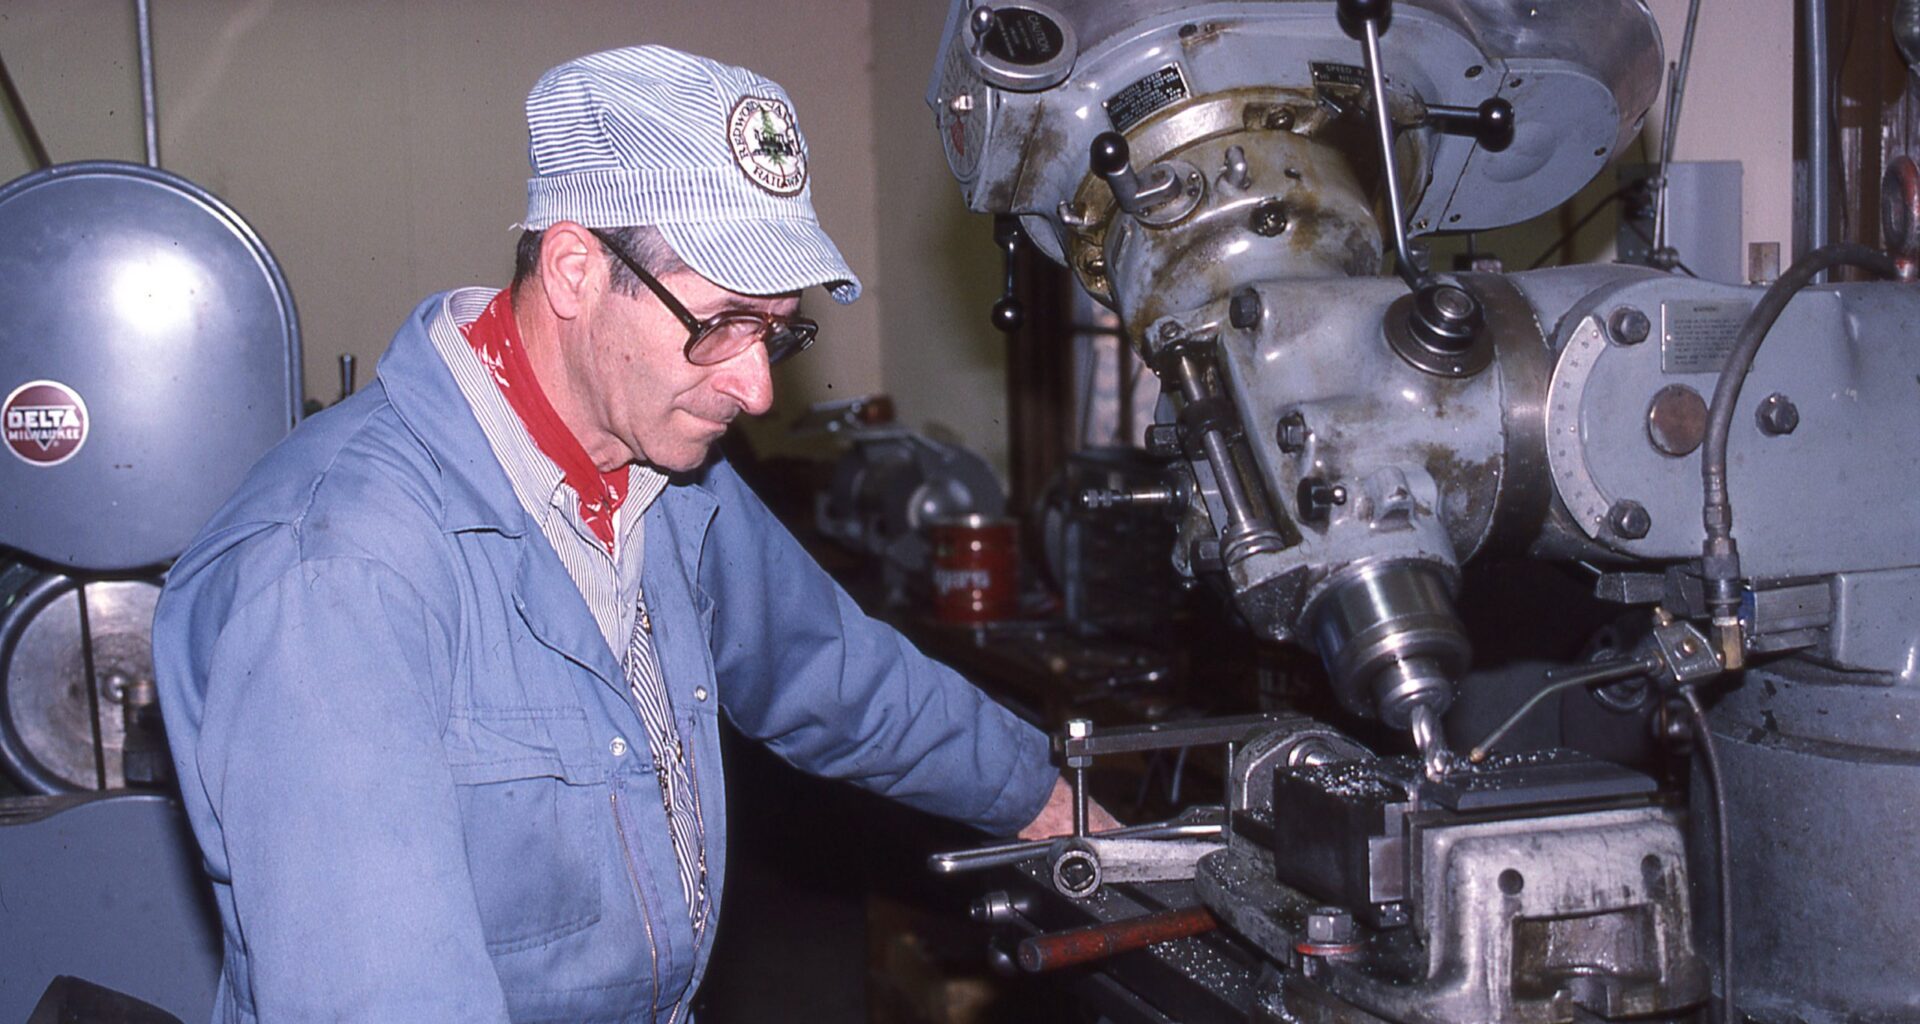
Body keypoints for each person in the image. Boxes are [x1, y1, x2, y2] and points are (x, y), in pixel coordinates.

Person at [152, 45, 1111, 1023]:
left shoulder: (662, 469)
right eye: (721, 323)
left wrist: (1052, 803)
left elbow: (833, 670)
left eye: (778, 330)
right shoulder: (341, 576)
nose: (757, 387)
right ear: (575, 269)